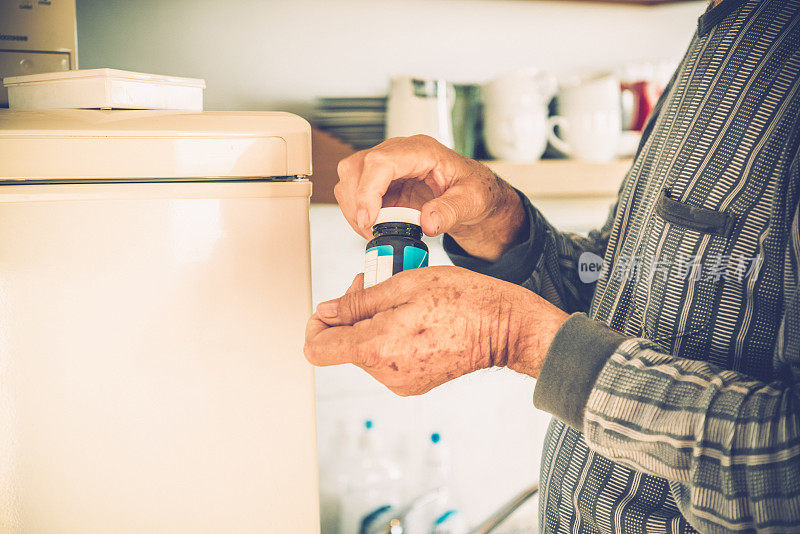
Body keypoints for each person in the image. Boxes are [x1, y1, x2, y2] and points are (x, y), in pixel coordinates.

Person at [304, 0, 800, 532]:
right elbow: (617, 283)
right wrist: (499, 218)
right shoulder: (729, 24)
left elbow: (786, 470)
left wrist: (513, 334)